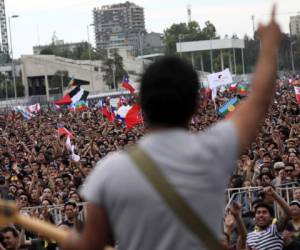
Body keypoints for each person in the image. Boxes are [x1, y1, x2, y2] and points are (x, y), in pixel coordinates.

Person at [61, 5, 282, 250]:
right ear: (196, 104)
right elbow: (259, 100)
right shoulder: (212, 151)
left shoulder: (108, 171)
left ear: (141, 103)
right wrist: (270, 44)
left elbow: (90, 246)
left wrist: (70, 241)